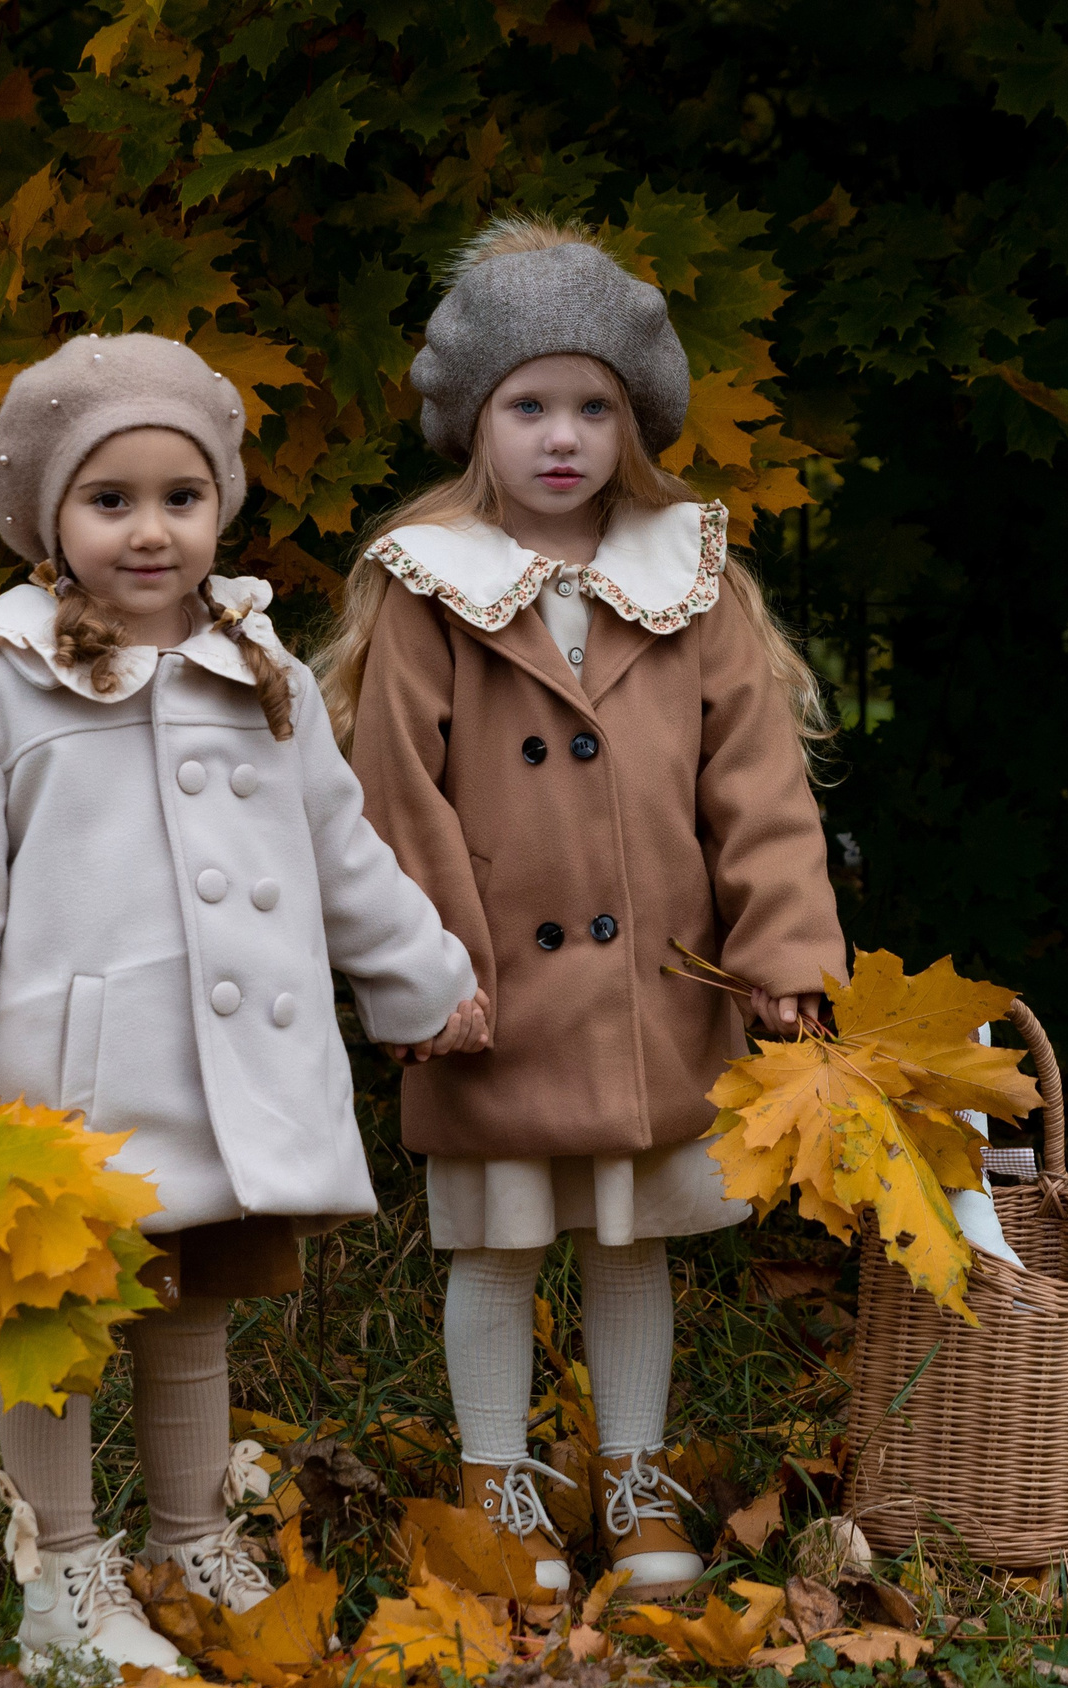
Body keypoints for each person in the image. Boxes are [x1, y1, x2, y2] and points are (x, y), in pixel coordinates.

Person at [0, 332, 488, 1672]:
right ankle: (62, 1574)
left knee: (189, 1308)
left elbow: (338, 847)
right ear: (51, 520)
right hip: (63, 1092)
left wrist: (423, 980)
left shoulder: (257, 670)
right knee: (56, 1323)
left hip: (222, 1080)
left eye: (180, 497)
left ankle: (192, 1539)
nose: (150, 530)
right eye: (111, 499)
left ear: (221, 505)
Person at [316, 218, 847, 1597]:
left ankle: (635, 1478)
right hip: (493, 991)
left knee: (631, 1242)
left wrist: (783, 948)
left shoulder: (688, 573)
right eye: (529, 406)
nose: (562, 436)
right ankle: (496, 1484)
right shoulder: (428, 581)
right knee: (495, 1246)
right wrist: (426, 972)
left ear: (636, 420)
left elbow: (756, 782)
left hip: (651, 990)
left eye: (594, 407)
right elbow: (395, 794)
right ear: (473, 421)